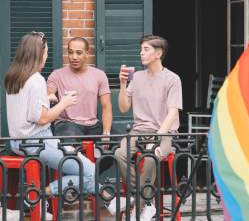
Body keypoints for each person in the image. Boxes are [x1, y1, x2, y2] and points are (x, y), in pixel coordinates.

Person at [5, 32, 127, 217]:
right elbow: (41, 118)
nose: (46, 55)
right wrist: (64, 103)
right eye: (45, 51)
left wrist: (46, 98)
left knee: (86, 169)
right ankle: (38, 194)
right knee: (90, 171)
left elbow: (27, 109)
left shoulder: (14, 76)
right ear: (39, 52)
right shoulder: (36, 79)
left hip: (17, 141)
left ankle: (109, 200)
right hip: (37, 142)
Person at [115, 35, 183, 220]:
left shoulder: (172, 79)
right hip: (139, 130)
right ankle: (145, 201)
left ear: (158, 54)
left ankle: (137, 206)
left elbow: (173, 113)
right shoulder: (136, 77)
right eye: (141, 49)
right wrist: (122, 84)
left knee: (152, 156)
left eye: (146, 49)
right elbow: (123, 108)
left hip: (164, 132)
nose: (141, 53)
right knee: (119, 154)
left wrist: (157, 138)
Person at [47, 37, 112, 146]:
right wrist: (51, 94)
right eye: (71, 53)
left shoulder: (99, 75)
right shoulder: (57, 75)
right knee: (69, 146)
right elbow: (50, 92)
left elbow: (106, 106)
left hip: (93, 125)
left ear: (87, 53)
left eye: (79, 53)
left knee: (120, 143)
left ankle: (99, 163)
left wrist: (106, 133)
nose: (74, 57)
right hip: (67, 123)